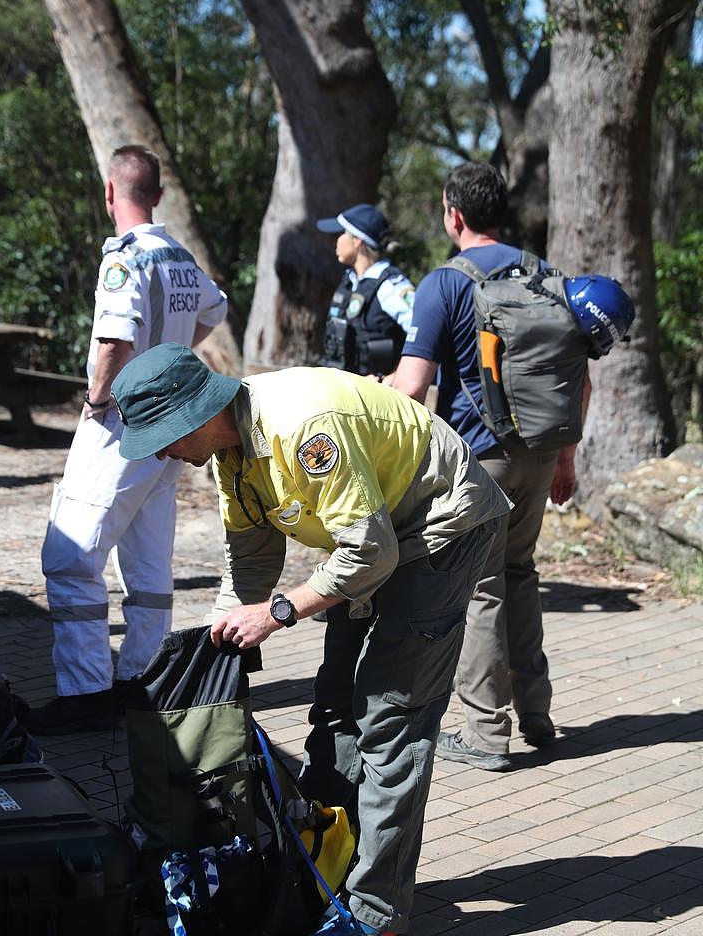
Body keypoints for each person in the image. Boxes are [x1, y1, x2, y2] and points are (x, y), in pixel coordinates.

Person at [111, 342, 511, 936]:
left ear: (193, 415)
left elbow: (371, 551)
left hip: (439, 531)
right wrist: (222, 639)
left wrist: (277, 613)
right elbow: (250, 555)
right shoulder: (230, 450)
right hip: (372, 545)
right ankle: (325, 865)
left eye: (164, 438)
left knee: (390, 724)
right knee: (333, 710)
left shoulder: (303, 429)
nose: (165, 454)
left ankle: (377, 915)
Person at [392, 161, 591, 772]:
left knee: (481, 588)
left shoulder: (445, 283)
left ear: (454, 214)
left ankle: (483, 733)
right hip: (541, 453)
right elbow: (580, 376)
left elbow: (412, 388)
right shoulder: (547, 276)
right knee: (521, 574)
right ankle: (537, 713)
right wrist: (566, 457)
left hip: (481, 459)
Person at [26, 146, 228, 736]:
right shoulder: (182, 258)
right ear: (158, 196)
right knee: (147, 564)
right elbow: (215, 310)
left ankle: (87, 691)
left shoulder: (124, 259)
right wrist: (178, 350)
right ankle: (141, 683)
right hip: (169, 426)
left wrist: (95, 401)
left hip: (122, 422)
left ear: (111, 192)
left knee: (70, 558)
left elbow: (114, 339)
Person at [317, 203, 414, 379]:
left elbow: (423, 336)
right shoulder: (349, 281)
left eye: (341, 233)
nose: (335, 240)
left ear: (357, 241)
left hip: (375, 398)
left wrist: (395, 376)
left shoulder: (390, 286)